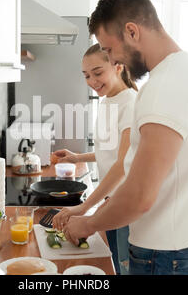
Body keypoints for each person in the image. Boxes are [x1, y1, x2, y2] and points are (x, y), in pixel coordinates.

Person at [60, 0, 188, 275]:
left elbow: (139, 195)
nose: (114, 61)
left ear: (132, 32)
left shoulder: (166, 86)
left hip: (166, 255)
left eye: (109, 50)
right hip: (185, 246)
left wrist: (87, 222)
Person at [51, 43, 137, 275]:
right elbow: (109, 150)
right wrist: (78, 156)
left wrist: (85, 207)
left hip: (126, 204)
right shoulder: (108, 100)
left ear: (118, 66)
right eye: (87, 75)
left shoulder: (130, 103)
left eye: (98, 73)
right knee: (115, 265)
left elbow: (122, 165)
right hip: (111, 200)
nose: (91, 80)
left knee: (124, 268)